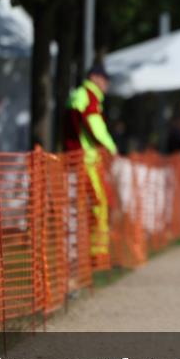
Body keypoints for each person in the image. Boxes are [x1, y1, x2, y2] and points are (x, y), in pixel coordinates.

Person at [64, 61, 118, 260]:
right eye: (105, 80)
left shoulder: (81, 95)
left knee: (83, 205)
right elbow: (95, 127)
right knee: (98, 202)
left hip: (80, 159)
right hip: (85, 160)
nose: (107, 85)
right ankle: (96, 253)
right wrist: (111, 148)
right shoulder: (88, 96)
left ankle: (84, 252)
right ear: (95, 78)